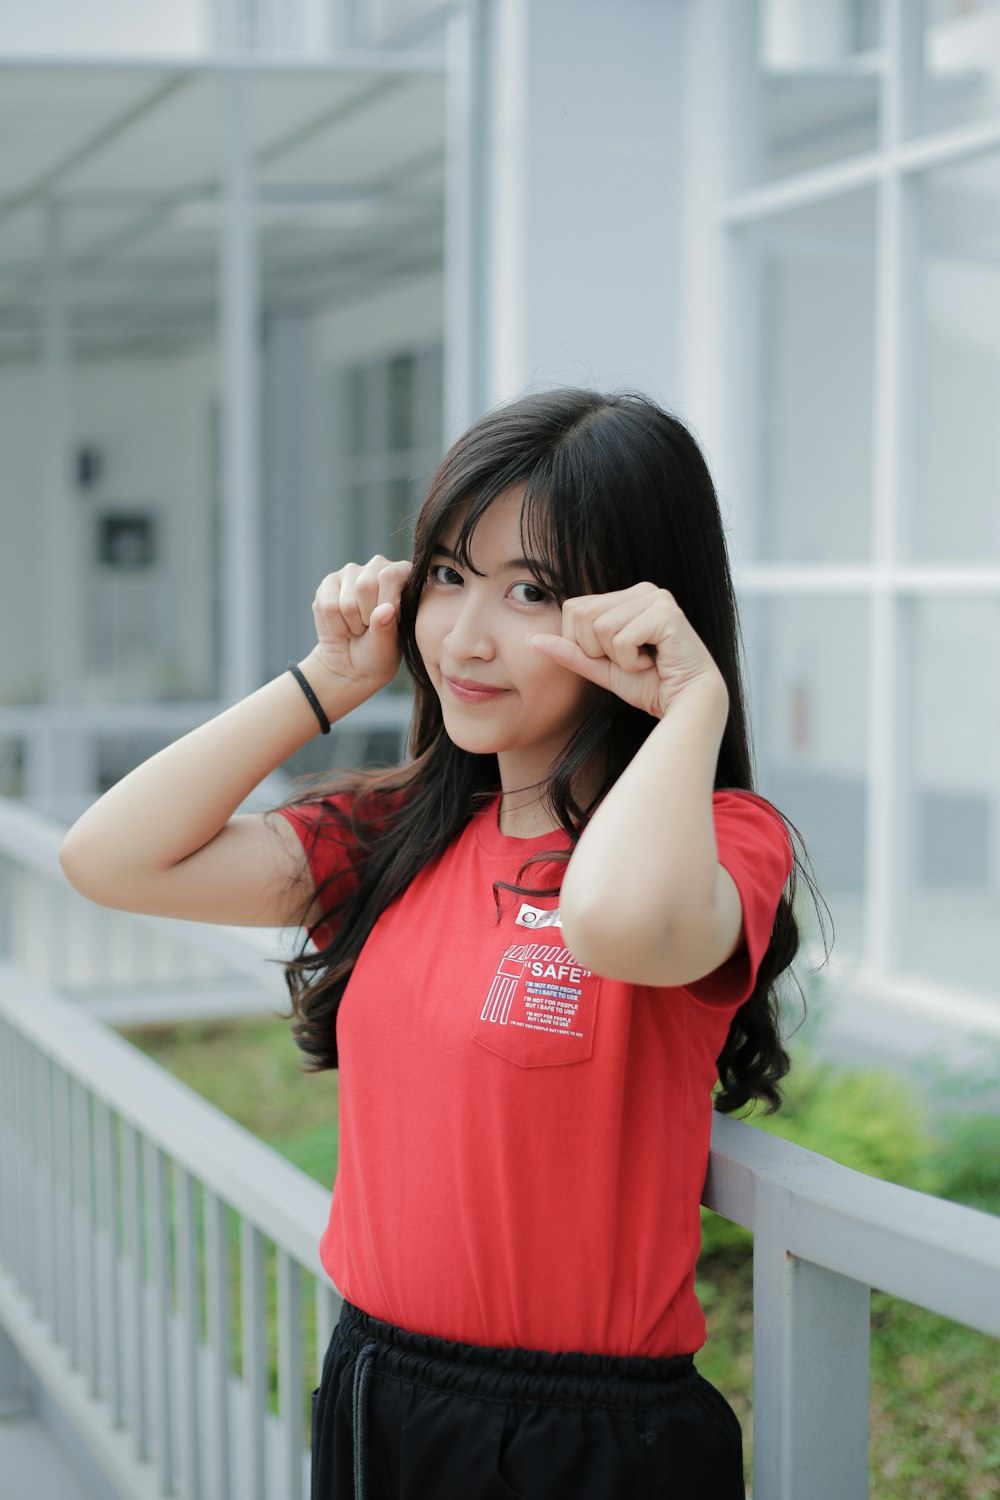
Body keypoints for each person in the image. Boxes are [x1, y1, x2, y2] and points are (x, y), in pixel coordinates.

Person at [60, 388, 810, 1500]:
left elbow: (612, 923)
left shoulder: (718, 846)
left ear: (636, 609)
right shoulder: (392, 839)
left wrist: (690, 703)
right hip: (377, 1391)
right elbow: (108, 857)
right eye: (449, 576)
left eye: (533, 592)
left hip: (586, 1441)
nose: (464, 637)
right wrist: (330, 682)